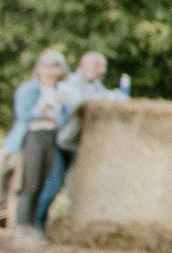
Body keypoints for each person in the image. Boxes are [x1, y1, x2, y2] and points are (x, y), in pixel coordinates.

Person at [37, 51, 125, 229]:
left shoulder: (96, 86)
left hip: (81, 146)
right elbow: (78, 103)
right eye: (97, 66)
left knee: (82, 188)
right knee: (54, 184)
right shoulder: (70, 83)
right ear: (83, 66)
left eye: (103, 67)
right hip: (63, 143)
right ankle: (37, 223)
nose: (101, 70)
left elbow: (113, 99)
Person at [6, 50, 72, 235]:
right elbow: (25, 115)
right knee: (30, 183)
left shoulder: (61, 91)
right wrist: (46, 106)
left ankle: (35, 226)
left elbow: (62, 118)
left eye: (54, 66)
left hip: (52, 137)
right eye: (46, 65)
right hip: (33, 136)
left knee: (47, 183)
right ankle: (22, 226)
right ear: (38, 68)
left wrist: (53, 114)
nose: (50, 70)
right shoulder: (29, 89)